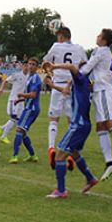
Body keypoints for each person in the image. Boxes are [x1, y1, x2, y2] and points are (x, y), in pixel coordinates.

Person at [80, 29, 112, 180]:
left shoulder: (101, 51)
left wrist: (73, 71)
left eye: (99, 35)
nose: (96, 36)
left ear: (104, 40)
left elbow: (86, 70)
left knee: (109, 124)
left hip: (103, 91)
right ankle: (110, 163)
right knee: (101, 127)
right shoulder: (104, 52)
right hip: (99, 91)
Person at [43, 61, 98, 199]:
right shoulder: (82, 82)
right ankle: (90, 178)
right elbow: (67, 91)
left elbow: (71, 67)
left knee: (60, 155)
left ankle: (61, 190)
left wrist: (54, 66)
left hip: (77, 125)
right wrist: (54, 85)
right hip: (84, 124)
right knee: (74, 153)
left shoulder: (80, 79)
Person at [43, 26, 87, 170]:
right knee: (71, 121)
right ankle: (70, 153)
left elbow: (46, 62)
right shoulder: (79, 48)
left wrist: (48, 73)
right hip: (72, 87)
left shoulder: (56, 46)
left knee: (54, 119)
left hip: (58, 85)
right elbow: (85, 65)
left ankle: (51, 148)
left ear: (61, 37)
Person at [9, 57, 41, 164]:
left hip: (31, 109)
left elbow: (33, 95)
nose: (30, 66)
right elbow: (30, 96)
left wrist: (21, 94)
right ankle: (33, 155)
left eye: (33, 64)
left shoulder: (36, 78)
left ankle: (14, 156)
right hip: (28, 108)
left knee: (19, 130)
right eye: (29, 64)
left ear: (37, 67)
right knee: (23, 133)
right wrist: (21, 100)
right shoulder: (30, 78)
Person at [0, 61, 29, 144]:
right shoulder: (16, 75)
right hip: (13, 100)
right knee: (14, 118)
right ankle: (3, 136)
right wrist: (1, 89)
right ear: (22, 66)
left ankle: (2, 128)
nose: (26, 67)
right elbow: (5, 81)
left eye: (27, 65)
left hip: (21, 101)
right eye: (25, 65)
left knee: (19, 119)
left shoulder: (29, 77)